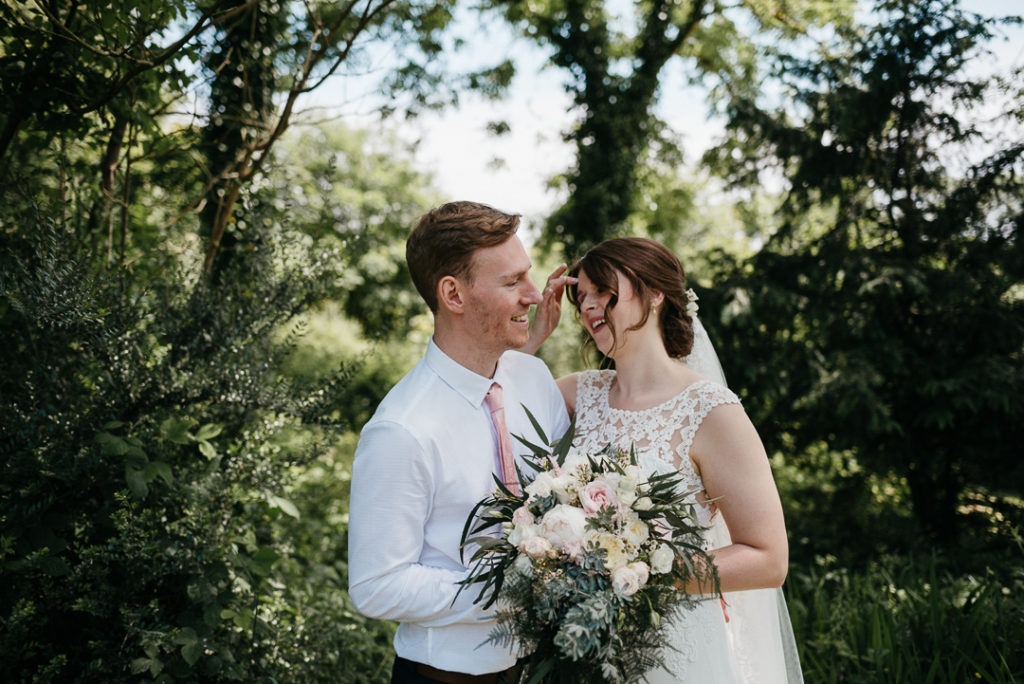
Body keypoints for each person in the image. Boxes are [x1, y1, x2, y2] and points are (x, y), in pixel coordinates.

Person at [524, 236, 803, 683]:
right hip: (582, 644)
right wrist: (535, 335)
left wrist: (638, 568)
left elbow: (769, 559)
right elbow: (491, 408)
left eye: (604, 292)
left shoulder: (713, 412)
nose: (589, 306)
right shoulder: (580, 393)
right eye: (582, 298)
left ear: (654, 294)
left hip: (677, 647)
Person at [347, 201, 575, 684]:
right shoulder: (401, 430)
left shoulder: (533, 378)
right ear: (453, 294)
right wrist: (511, 590)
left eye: (527, 277)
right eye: (512, 282)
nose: (534, 295)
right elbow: (375, 586)